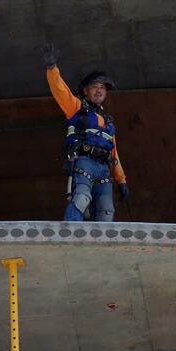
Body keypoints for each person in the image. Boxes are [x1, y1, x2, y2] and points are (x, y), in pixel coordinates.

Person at [44, 43, 129, 222]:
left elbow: (114, 153)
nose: (99, 90)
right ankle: (71, 235)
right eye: (94, 87)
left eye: (102, 87)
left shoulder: (108, 122)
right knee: (81, 199)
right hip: (84, 163)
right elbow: (60, 91)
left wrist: (121, 180)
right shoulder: (77, 109)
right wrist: (52, 68)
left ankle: (100, 247)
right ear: (85, 91)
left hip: (104, 169)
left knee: (106, 209)